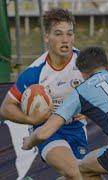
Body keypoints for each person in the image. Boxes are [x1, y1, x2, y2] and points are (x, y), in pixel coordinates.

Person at [22, 46, 108, 180]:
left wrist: (29, 142)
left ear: (82, 74)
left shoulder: (81, 90)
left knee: (82, 168)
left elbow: (43, 133)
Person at [0, 8, 87, 179]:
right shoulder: (34, 73)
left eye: (69, 34)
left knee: (88, 176)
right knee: (74, 171)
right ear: (46, 37)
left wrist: (89, 109)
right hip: (46, 129)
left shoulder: (85, 63)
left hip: (76, 128)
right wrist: (31, 120)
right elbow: (5, 108)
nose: (65, 40)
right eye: (58, 34)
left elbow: (105, 88)